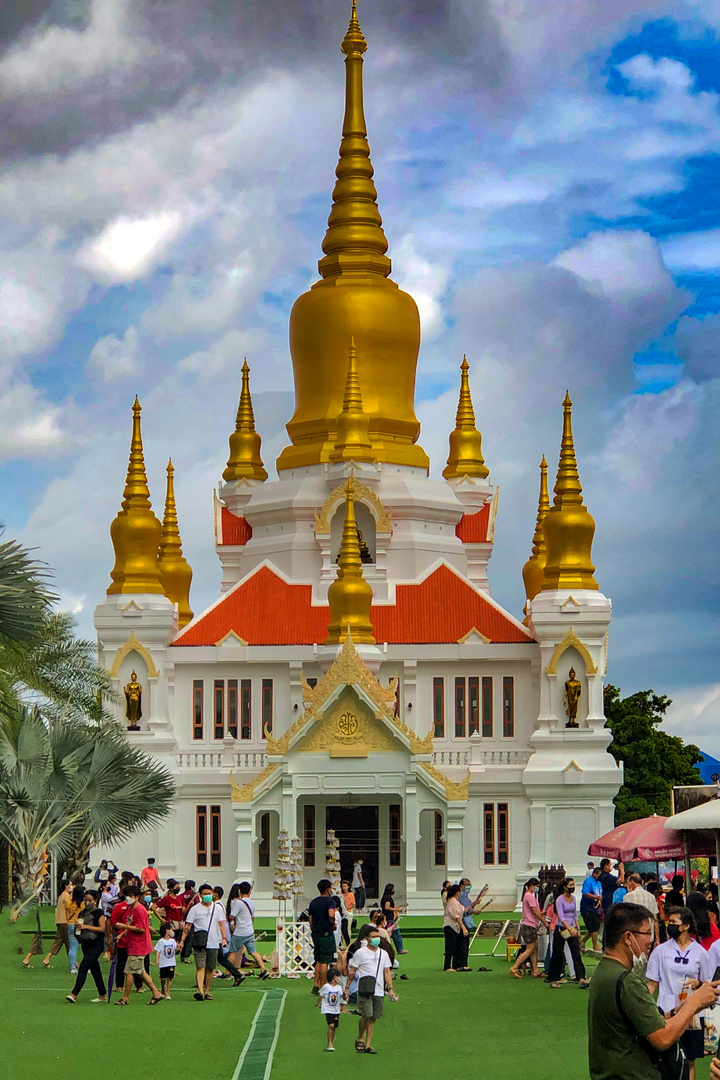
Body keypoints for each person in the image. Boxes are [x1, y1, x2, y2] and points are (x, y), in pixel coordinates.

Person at [588, 901, 719, 1080]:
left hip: (610, 1072)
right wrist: (696, 1001)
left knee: (690, 1061)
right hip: (630, 1074)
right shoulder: (626, 981)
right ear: (628, 937)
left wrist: (679, 1010)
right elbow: (662, 1039)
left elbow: (642, 1020)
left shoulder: (604, 971)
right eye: (647, 933)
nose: (651, 940)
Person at [647, 906, 713, 1080]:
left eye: (674, 923)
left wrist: (698, 983)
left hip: (691, 1014)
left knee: (690, 1061)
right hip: (666, 1012)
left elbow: (708, 984)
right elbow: (652, 983)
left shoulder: (700, 953)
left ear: (685, 926)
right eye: (669, 922)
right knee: (664, 1059)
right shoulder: (660, 951)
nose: (670, 926)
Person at [345, 926, 395, 1054]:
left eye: (377, 937)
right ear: (366, 939)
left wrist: (390, 988)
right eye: (373, 937)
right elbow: (352, 971)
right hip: (365, 988)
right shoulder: (360, 954)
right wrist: (347, 988)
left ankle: (368, 1044)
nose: (376, 939)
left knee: (373, 1017)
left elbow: (387, 971)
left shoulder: (383, 954)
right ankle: (361, 1037)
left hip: (378, 989)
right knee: (366, 1014)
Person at [113, 884, 164, 1005]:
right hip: (134, 945)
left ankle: (125, 998)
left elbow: (140, 929)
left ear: (136, 897)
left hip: (138, 946)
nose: (128, 898)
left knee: (129, 972)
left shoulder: (139, 910)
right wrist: (123, 933)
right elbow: (134, 925)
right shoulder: (131, 909)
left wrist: (124, 926)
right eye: (126, 896)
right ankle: (156, 993)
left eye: (130, 896)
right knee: (141, 972)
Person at [179, 883, 229, 1001]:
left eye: (209, 894)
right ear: (200, 895)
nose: (207, 896)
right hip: (199, 942)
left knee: (210, 968)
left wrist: (224, 938)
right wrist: (182, 940)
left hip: (213, 942)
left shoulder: (217, 908)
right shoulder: (195, 909)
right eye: (205, 894)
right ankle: (200, 990)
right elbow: (188, 926)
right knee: (200, 966)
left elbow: (222, 924)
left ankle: (207, 991)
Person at [547, 876, 590, 989]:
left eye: (573, 885)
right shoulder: (560, 899)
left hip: (572, 928)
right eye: (570, 885)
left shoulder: (574, 898)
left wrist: (577, 928)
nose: (572, 887)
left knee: (576, 953)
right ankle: (553, 978)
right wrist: (568, 928)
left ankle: (581, 977)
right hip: (561, 928)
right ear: (565, 887)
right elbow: (561, 916)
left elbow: (575, 914)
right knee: (558, 954)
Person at [65, 890, 107, 1003]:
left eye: (90, 900)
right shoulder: (82, 913)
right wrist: (78, 929)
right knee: (95, 969)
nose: (87, 902)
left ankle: (74, 994)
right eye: (86, 900)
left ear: (95, 901)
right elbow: (80, 927)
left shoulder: (99, 913)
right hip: (86, 943)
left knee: (83, 967)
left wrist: (86, 927)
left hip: (96, 943)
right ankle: (102, 994)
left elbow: (102, 929)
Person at [228, 881, 270, 980]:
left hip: (240, 932)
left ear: (239, 891)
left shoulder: (238, 903)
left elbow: (232, 916)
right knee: (253, 951)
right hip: (249, 930)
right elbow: (252, 918)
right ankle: (263, 969)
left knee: (232, 952)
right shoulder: (251, 902)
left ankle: (229, 971)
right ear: (250, 891)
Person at [510, 877, 548, 978]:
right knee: (530, 948)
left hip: (530, 924)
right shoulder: (529, 896)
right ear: (532, 886)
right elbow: (535, 911)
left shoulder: (528, 896)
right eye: (536, 886)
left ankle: (535, 970)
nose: (537, 888)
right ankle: (515, 967)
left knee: (534, 948)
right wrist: (543, 921)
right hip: (529, 925)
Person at [309, 879, 337, 995]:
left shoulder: (313, 902)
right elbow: (331, 914)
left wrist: (314, 928)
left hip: (316, 933)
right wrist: (333, 923)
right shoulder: (330, 902)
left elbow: (310, 918)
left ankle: (315, 985)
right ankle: (322, 987)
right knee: (325, 960)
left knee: (318, 960)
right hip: (326, 933)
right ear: (328, 889)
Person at [623, 873, 660, 943]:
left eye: (628, 883)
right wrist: (657, 939)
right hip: (649, 934)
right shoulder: (651, 896)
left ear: (632, 883)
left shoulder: (628, 896)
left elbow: (626, 918)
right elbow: (655, 919)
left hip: (634, 933)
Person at [442, 882, 470, 971]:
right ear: (457, 892)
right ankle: (447, 966)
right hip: (451, 926)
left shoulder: (455, 901)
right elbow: (457, 916)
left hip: (454, 926)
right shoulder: (453, 902)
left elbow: (463, 910)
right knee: (450, 946)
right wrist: (463, 928)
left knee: (456, 945)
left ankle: (457, 964)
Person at [317, 967, 342, 1051]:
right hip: (328, 1009)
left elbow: (341, 996)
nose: (339, 978)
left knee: (334, 1026)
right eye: (338, 976)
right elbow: (321, 995)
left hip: (336, 1009)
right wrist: (318, 1004)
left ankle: (331, 1041)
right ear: (334, 977)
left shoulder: (339, 987)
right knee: (331, 1025)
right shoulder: (326, 987)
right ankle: (330, 1043)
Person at [581, 866, 604, 953]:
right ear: (594, 874)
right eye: (599, 875)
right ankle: (595, 945)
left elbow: (600, 893)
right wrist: (596, 897)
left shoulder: (599, 883)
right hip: (587, 907)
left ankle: (582, 942)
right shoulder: (588, 881)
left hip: (595, 907)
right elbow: (585, 893)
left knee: (594, 927)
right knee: (594, 926)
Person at [379, 884, 407, 954]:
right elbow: (387, 907)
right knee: (396, 934)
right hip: (389, 919)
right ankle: (400, 949)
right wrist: (396, 910)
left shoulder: (384, 897)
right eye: (393, 889)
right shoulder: (388, 898)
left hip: (386, 918)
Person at [153, 923, 178, 999]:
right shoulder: (161, 941)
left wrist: (178, 949)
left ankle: (168, 993)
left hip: (171, 963)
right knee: (163, 978)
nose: (172, 931)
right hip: (163, 963)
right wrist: (157, 960)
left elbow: (175, 950)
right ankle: (163, 990)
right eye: (170, 929)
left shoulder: (173, 941)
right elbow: (158, 951)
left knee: (170, 978)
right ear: (167, 931)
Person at [180, 879, 198, 962]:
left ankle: (182, 954)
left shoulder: (181, 895)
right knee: (190, 938)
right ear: (192, 887)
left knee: (184, 936)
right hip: (193, 919)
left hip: (183, 918)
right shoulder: (194, 895)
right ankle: (186, 955)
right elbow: (197, 905)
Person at [340, 880, 356, 944]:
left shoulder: (351, 894)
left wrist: (346, 908)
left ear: (348, 887)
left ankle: (348, 943)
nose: (344, 888)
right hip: (342, 913)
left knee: (348, 928)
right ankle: (341, 943)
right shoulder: (341, 895)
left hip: (348, 913)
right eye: (343, 886)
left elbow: (353, 904)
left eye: (345, 886)